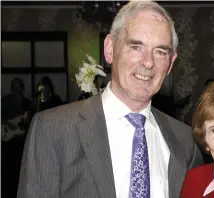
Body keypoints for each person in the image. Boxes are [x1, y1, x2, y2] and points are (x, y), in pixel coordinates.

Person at [17, 1, 203, 198]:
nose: (148, 62)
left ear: (171, 63)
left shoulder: (185, 142)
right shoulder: (54, 128)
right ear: (109, 49)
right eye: (136, 47)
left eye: (160, 52)